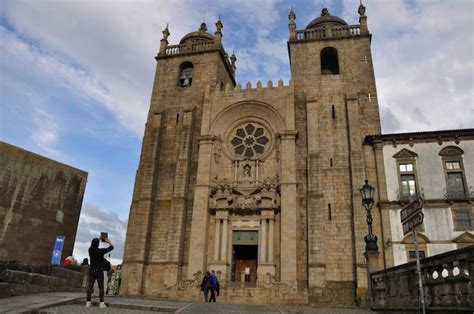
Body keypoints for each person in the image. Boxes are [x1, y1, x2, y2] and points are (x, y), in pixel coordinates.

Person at [86, 236, 114, 308]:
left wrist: (98, 239)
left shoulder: (90, 250)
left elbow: (94, 244)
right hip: (99, 271)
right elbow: (111, 247)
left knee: (90, 286)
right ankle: (101, 303)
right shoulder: (100, 251)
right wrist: (108, 241)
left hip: (92, 270)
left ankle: (88, 302)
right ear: (98, 244)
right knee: (101, 287)